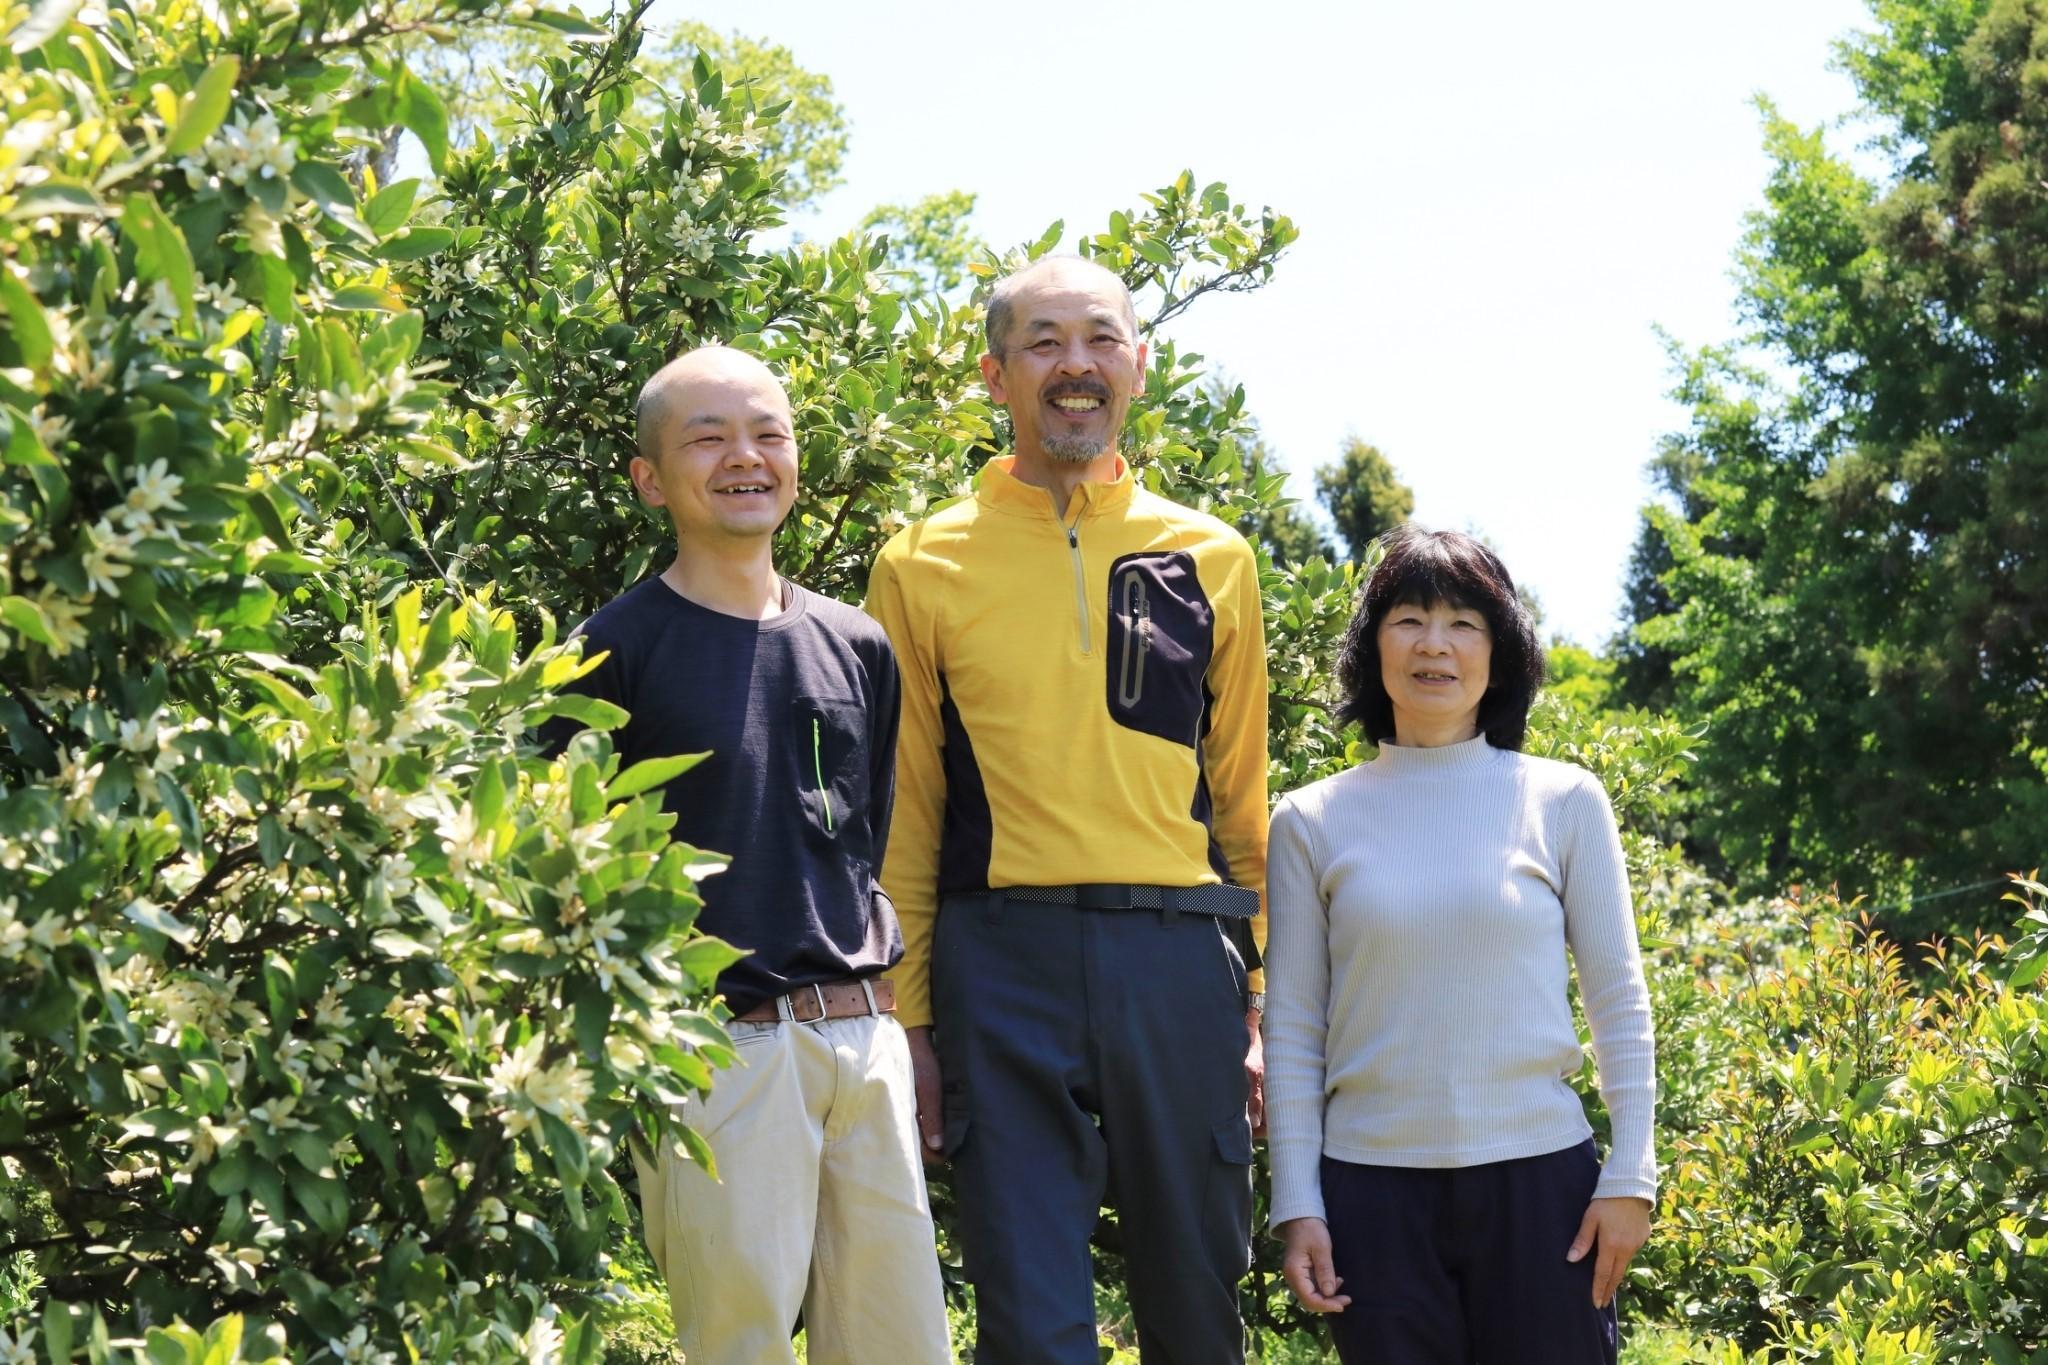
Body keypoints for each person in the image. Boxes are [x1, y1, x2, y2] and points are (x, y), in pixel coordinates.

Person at [864, 254, 1271, 1365]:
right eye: (1042, 342)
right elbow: (905, 812)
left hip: (1180, 963)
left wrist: (1263, 1002)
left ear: (1138, 364)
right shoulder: (918, 563)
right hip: (1001, 970)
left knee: (1197, 1318)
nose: (1074, 364)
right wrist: (912, 1023)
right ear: (996, 376)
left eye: (1099, 338)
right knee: (1032, 1327)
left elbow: (1240, 799)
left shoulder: (1213, 558)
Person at [548, 346, 951, 1365]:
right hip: (715, 1053)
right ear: (649, 480)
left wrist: (900, 1030)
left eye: (767, 432)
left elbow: (863, 849)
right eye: (708, 436)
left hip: (860, 1039)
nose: (745, 456)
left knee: (902, 1349)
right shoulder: (611, 648)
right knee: (738, 1349)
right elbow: (558, 870)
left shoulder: (858, 642)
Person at [1263, 526, 1657, 1365]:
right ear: (1373, 646)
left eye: (1463, 622)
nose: (1434, 644)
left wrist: (1632, 1174)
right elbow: (1294, 1028)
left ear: (1501, 651)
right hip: (1371, 1197)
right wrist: (1298, 1200)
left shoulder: (1563, 801)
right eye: (1408, 618)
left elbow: (1618, 998)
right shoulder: (1307, 820)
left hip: (1544, 1190)